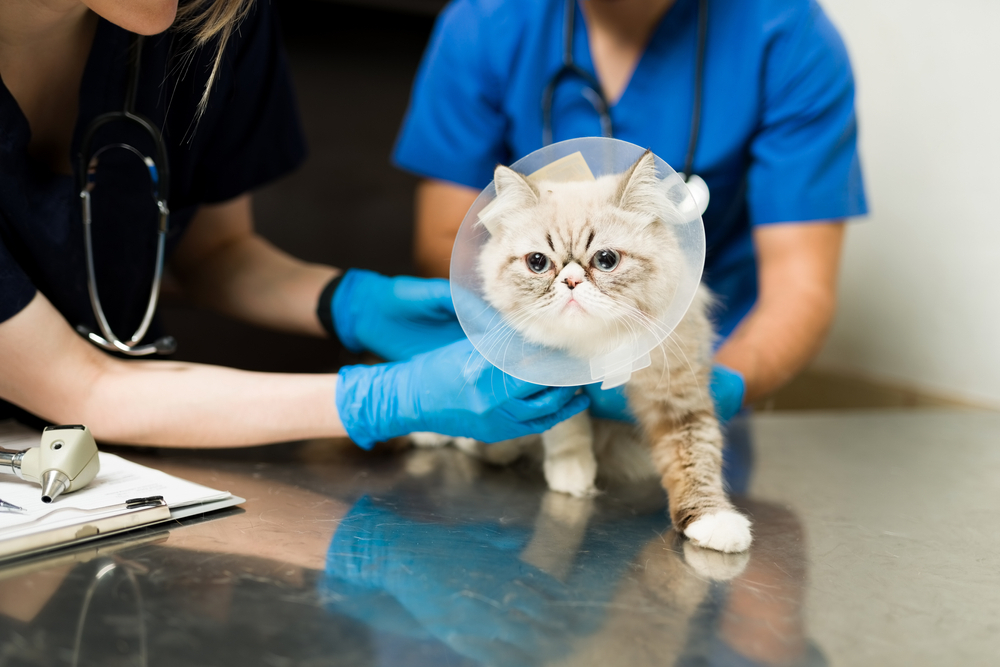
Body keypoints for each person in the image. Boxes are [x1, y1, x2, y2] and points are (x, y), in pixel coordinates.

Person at [0, 0, 588, 448]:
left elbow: (214, 253)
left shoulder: (209, 17)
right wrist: (385, 400)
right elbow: (82, 387)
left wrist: (351, 303)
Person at [393, 0, 868, 416]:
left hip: (698, 355)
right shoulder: (487, 22)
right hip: (530, 362)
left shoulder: (786, 33)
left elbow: (799, 285)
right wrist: (534, 356)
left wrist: (703, 391)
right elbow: (447, 240)